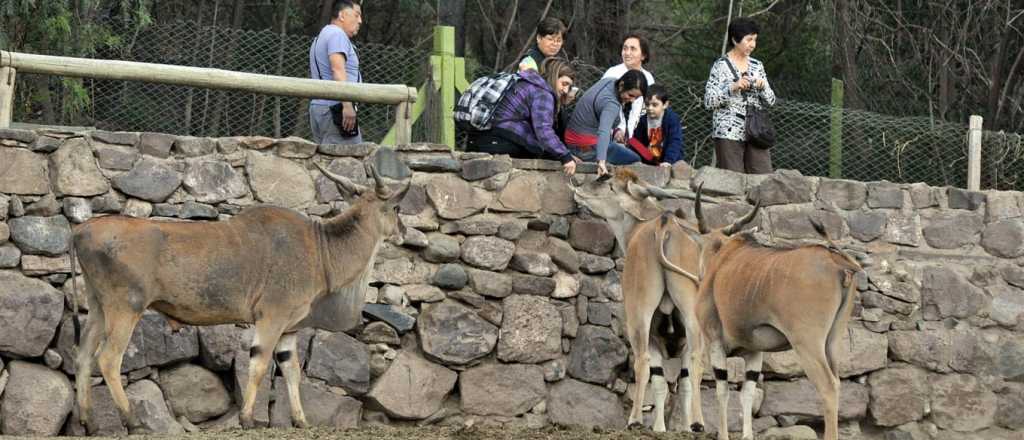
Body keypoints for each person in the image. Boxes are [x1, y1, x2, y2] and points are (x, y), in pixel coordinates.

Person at [466, 58, 580, 175]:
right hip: (499, 142)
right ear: (554, 77)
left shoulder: (525, 81)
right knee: (536, 151)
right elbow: (543, 130)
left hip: (476, 139)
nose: (566, 90)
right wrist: (565, 156)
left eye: (569, 87)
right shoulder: (543, 93)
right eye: (564, 84)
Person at [704, 17, 776, 174]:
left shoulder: (757, 66)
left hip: (756, 130)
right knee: (732, 180)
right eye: (749, 39)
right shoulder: (720, 66)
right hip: (728, 131)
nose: (753, 44)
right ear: (735, 39)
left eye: (755, 40)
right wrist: (733, 87)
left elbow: (771, 100)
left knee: (763, 177)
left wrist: (763, 86)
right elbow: (709, 101)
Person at [565, 69, 648, 176]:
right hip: (584, 148)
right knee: (635, 159)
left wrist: (616, 131)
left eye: (636, 98)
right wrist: (601, 161)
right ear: (621, 85)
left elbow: (602, 115)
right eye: (631, 95)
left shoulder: (609, 81)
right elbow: (603, 132)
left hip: (570, 140)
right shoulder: (611, 104)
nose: (632, 100)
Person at [309, 0, 363, 145]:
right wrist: (347, 106)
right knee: (351, 156)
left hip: (319, 107)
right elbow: (338, 71)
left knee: (325, 157)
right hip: (335, 109)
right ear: (342, 15)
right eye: (356, 15)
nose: (360, 21)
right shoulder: (337, 35)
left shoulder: (322, 35)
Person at [602, 33, 655, 143]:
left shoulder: (649, 78)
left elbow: (646, 110)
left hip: (638, 137)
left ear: (643, 55)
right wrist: (616, 130)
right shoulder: (612, 74)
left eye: (633, 49)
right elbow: (603, 106)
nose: (627, 53)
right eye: (625, 48)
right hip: (612, 136)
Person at [628, 84, 684, 167]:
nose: (650, 108)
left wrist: (668, 161)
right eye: (647, 104)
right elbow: (637, 141)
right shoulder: (643, 120)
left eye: (654, 105)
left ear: (665, 105)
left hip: (670, 160)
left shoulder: (672, 119)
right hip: (650, 159)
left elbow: (675, 142)